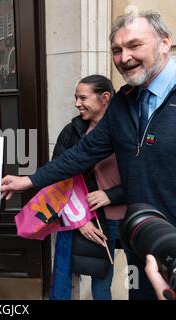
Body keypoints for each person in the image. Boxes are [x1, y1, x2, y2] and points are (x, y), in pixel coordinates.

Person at [0, 11, 176, 300]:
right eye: (117, 50)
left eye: (134, 45)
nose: (124, 57)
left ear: (165, 42)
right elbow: (81, 154)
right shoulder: (123, 102)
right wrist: (30, 180)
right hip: (143, 246)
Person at [50, 75, 126, 300]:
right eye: (75, 97)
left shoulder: (127, 130)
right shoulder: (71, 131)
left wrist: (110, 195)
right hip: (79, 215)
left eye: (83, 97)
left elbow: (142, 178)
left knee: (106, 281)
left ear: (105, 98)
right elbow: (58, 176)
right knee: (67, 275)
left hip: (118, 217)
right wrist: (80, 219)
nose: (76, 103)